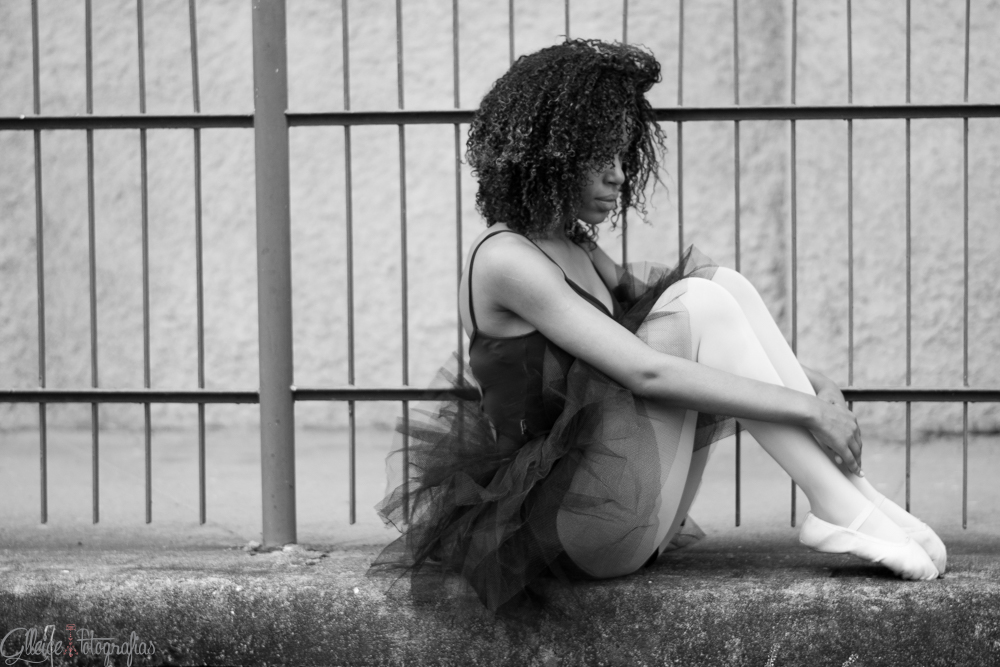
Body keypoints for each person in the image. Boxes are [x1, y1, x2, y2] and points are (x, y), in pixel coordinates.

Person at [373, 39, 945, 613]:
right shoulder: (505, 259)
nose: (619, 176)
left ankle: (854, 499)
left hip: (629, 509)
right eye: (599, 158)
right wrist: (809, 410)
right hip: (572, 531)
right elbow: (646, 371)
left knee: (720, 286)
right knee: (698, 298)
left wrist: (814, 382)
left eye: (622, 156)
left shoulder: (574, 241)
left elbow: (708, 332)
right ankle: (840, 508)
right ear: (551, 154)